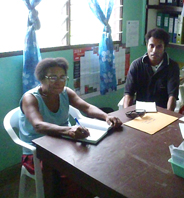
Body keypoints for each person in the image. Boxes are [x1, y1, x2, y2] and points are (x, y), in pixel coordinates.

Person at [19, 57, 122, 197]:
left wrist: (106, 117)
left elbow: (86, 107)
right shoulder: (30, 98)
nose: (59, 82)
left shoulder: (65, 92)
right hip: (37, 151)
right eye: (53, 77)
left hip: (64, 142)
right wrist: (69, 130)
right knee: (69, 175)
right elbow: (38, 125)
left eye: (62, 77)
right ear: (41, 79)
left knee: (93, 164)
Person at [123, 28, 180, 111]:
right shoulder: (136, 65)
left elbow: (172, 96)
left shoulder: (172, 66)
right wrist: (127, 114)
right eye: (151, 46)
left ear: (165, 47)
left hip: (162, 112)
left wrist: (168, 117)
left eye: (159, 46)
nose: (154, 50)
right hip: (140, 112)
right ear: (147, 45)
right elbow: (128, 93)